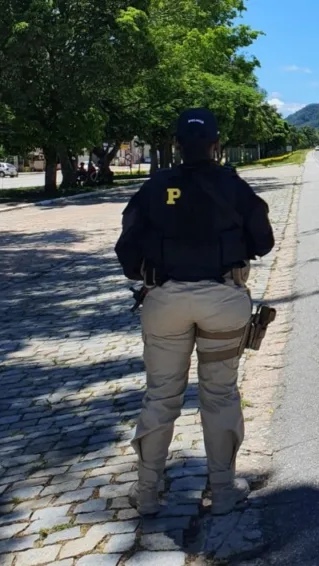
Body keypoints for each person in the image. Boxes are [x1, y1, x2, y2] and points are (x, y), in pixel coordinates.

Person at [114, 108, 275, 516]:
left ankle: (148, 493)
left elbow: (127, 249)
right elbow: (264, 241)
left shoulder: (155, 187)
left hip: (165, 300)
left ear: (176, 145)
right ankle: (222, 492)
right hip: (223, 300)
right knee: (219, 395)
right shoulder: (233, 187)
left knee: (160, 397)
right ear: (216, 145)